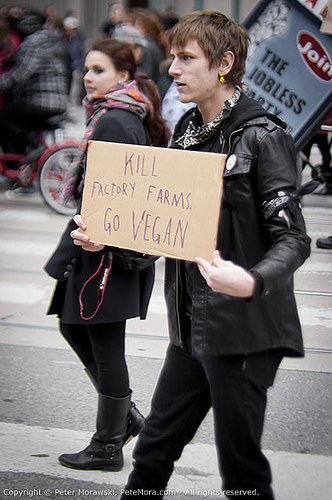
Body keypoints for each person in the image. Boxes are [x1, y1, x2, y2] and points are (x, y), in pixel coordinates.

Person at [71, 10, 311, 499]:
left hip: (242, 333)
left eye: (186, 58)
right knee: (152, 453)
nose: (172, 69)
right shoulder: (187, 134)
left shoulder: (263, 135)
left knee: (241, 473)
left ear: (224, 63)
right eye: (173, 58)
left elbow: (293, 237)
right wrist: (108, 237)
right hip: (189, 333)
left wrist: (252, 280)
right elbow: (166, 232)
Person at [44, 38, 170, 473]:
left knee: (104, 345)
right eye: (86, 69)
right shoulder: (119, 114)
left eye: (98, 70)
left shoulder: (116, 120)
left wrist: (90, 243)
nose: (88, 77)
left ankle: (108, 444)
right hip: (102, 246)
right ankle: (127, 421)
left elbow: (113, 194)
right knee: (76, 328)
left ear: (122, 76)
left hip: (106, 251)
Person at [0, 10, 68, 165]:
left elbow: (20, 75)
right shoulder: (52, 40)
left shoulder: (34, 41)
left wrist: (3, 82)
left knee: (4, 117)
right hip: (57, 101)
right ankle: (23, 163)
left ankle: (31, 146)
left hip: (42, 102)